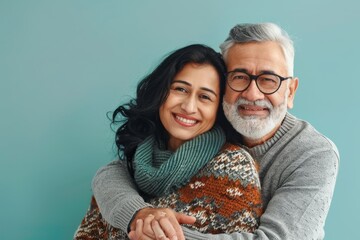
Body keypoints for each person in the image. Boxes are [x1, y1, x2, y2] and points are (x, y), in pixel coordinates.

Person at [91, 23, 339, 240]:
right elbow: (116, 170)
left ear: (291, 91)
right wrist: (138, 213)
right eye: (240, 77)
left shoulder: (313, 153)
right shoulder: (211, 124)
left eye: (268, 79)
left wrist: (160, 230)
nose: (252, 95)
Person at [74, 44, 263, 239]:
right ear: (160, 92)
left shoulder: (233, 168)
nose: (189, 107)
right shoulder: (128, 169)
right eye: (180, 89)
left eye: (205, 97)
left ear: (219, 108)